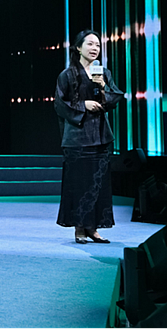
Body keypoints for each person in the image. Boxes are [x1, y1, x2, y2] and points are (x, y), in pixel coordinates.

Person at [55, 30, 124, 244]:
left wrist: (102, 86)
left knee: (98, 184)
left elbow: (116, 97)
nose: (95, 48)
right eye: (90, 44)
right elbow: (59, 104)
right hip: (77, 138)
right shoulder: (67, 75)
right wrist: (82, 105)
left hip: (101, 136)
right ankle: (79, 228)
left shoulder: (103, 72)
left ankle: (93, 228)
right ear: (78, 48)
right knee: (79, 184)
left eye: (98, 45)